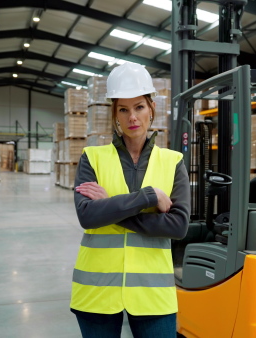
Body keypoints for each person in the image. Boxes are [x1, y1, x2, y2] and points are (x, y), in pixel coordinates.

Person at [70, 62, 191, 338]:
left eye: (138, 107)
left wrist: (110, 206)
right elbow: (87, 216)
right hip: (97, 289)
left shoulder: (173, 162)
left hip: (152, 294)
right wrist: (148, 197)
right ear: (115, 114)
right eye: (123, 109)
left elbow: (177, 226)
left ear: (151, 109)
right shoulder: (92, 157)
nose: (132, 117)